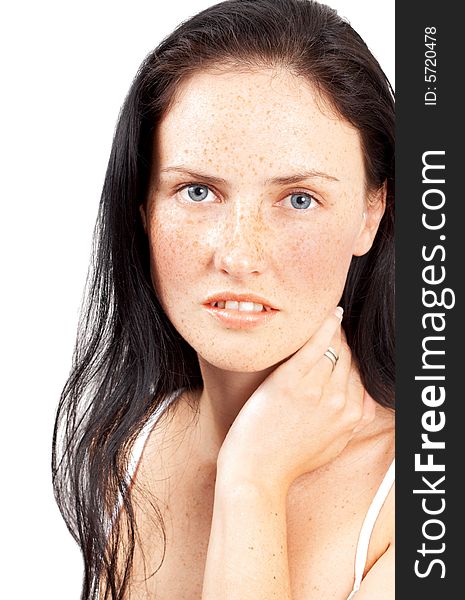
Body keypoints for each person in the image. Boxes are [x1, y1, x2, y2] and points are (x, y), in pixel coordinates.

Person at [52, 0, 395, 598]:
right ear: (142, 207)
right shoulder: (133, 448)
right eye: (198, 191)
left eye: (299, 199)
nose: (238, 255)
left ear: (371, 212)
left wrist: (253, 482)